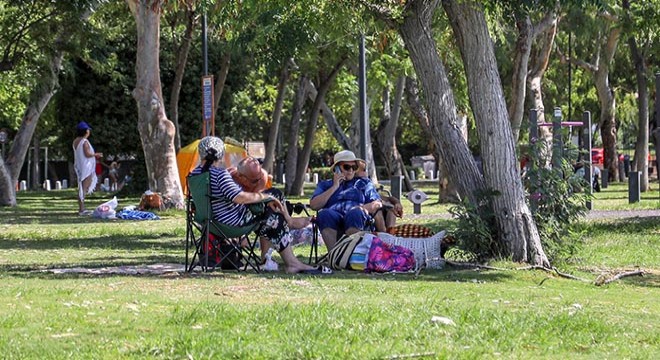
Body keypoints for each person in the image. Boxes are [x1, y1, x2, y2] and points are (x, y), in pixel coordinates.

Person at [190, 136, 329, 274]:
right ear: (220, 154)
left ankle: (275, 257)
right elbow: (240, 197)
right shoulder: (220, 175)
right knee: (273, 205)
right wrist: (265, 197)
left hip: (211, 224)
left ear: (201, 153)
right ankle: (291, 254)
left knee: (271, 212)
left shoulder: (193, 175)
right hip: (231, 225)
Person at [228, 156, 311, 266]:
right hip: (235, 216)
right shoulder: (229, 178)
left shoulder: (262, 176)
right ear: (241, 177)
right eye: (254, 180)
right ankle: (285, 259)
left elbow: (256, 198)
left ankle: (269, 259)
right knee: (272, 208)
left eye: (259, 177)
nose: (259, 181)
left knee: (271, 208)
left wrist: (267, 199)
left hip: (254, 211)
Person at [310, 150, 383, 251]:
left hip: (358, 220)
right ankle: (334, 256)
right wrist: (335, 187)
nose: (351, 170)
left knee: (355, 212)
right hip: (333, 221)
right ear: (336, 168)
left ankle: (351, 254)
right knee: (324, 214)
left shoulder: (363, 183)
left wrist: (361, 208)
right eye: (347, 167)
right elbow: (314, 205)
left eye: (354, 167)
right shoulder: (325, 185)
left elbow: (377, 203)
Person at [355, 161, 403, 233]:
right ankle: (384, 234)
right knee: (378, 209)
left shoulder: (367, 185)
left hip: (378, 210)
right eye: (363, 170)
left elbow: (387, 198)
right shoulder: (357, 186)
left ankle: (390, 234)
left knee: (391, 209)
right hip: (369, 212)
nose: (366, 172)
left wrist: (397, 203)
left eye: (365, 169)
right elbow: (375, 203)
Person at [72, 121, 103, 215]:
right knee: (84, 188)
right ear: (86, 131)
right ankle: (81, 209)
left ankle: (82, 208)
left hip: (80, 166)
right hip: (86, 167)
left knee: (82, 188)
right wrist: (96, 154)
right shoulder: (84, 142)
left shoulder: (75, 141)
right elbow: (87, 154)